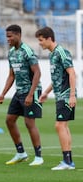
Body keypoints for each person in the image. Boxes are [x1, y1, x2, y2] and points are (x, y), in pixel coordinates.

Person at [0, 24, 44, 166]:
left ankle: (38, 156)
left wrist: (30, 94)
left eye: (10, 36)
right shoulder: (11, 52)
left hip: (32, 91)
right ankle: (21, 153)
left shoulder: (27, 51)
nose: (8, 39)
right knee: (9, 120)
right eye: (6, 36)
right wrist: (3, 94)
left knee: (29, 123)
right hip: (19, 91)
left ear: (18, 35)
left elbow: (37, 73)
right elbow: (12, 75)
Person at [35, 26, 77, 170]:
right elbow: (57, 77)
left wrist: (72, 95)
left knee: (59, 125)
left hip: (66, 95)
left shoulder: (61, 52)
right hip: (60, 95)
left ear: (49, 38)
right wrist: (46, 92)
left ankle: (67, 162)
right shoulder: (52, 54)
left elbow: (72, 73)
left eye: (41, 40)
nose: (40, 43)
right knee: (63, 126)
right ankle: (68, 161)